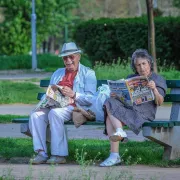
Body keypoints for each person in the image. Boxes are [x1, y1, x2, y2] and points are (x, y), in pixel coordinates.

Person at [29, 42, 97, 164]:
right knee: (35, 115)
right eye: (65, 58)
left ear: (79, 56)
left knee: (55, 113)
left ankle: (59, 155)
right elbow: (51, 91)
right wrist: (47, 99)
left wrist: (74, 94)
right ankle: (41, 153)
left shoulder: (88, 73)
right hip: (55, 105)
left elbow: (91, 98)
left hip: (74, 107)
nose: (68, 60)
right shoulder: (57, 73)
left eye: (72, 57)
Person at [100, 49, 167, 167]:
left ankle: (114, 155)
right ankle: (119, 134)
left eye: (144, 64)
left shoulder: (157, 79)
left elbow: (160, 101)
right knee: (109, 101)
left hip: (143, 114)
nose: (141, 68)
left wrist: (154, 89)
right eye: (138, 65)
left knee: (110, 117)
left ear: (149, 63)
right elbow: (125, 99)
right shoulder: (131, 78)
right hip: (129, 110)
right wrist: (117, 95)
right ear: (135, 67)